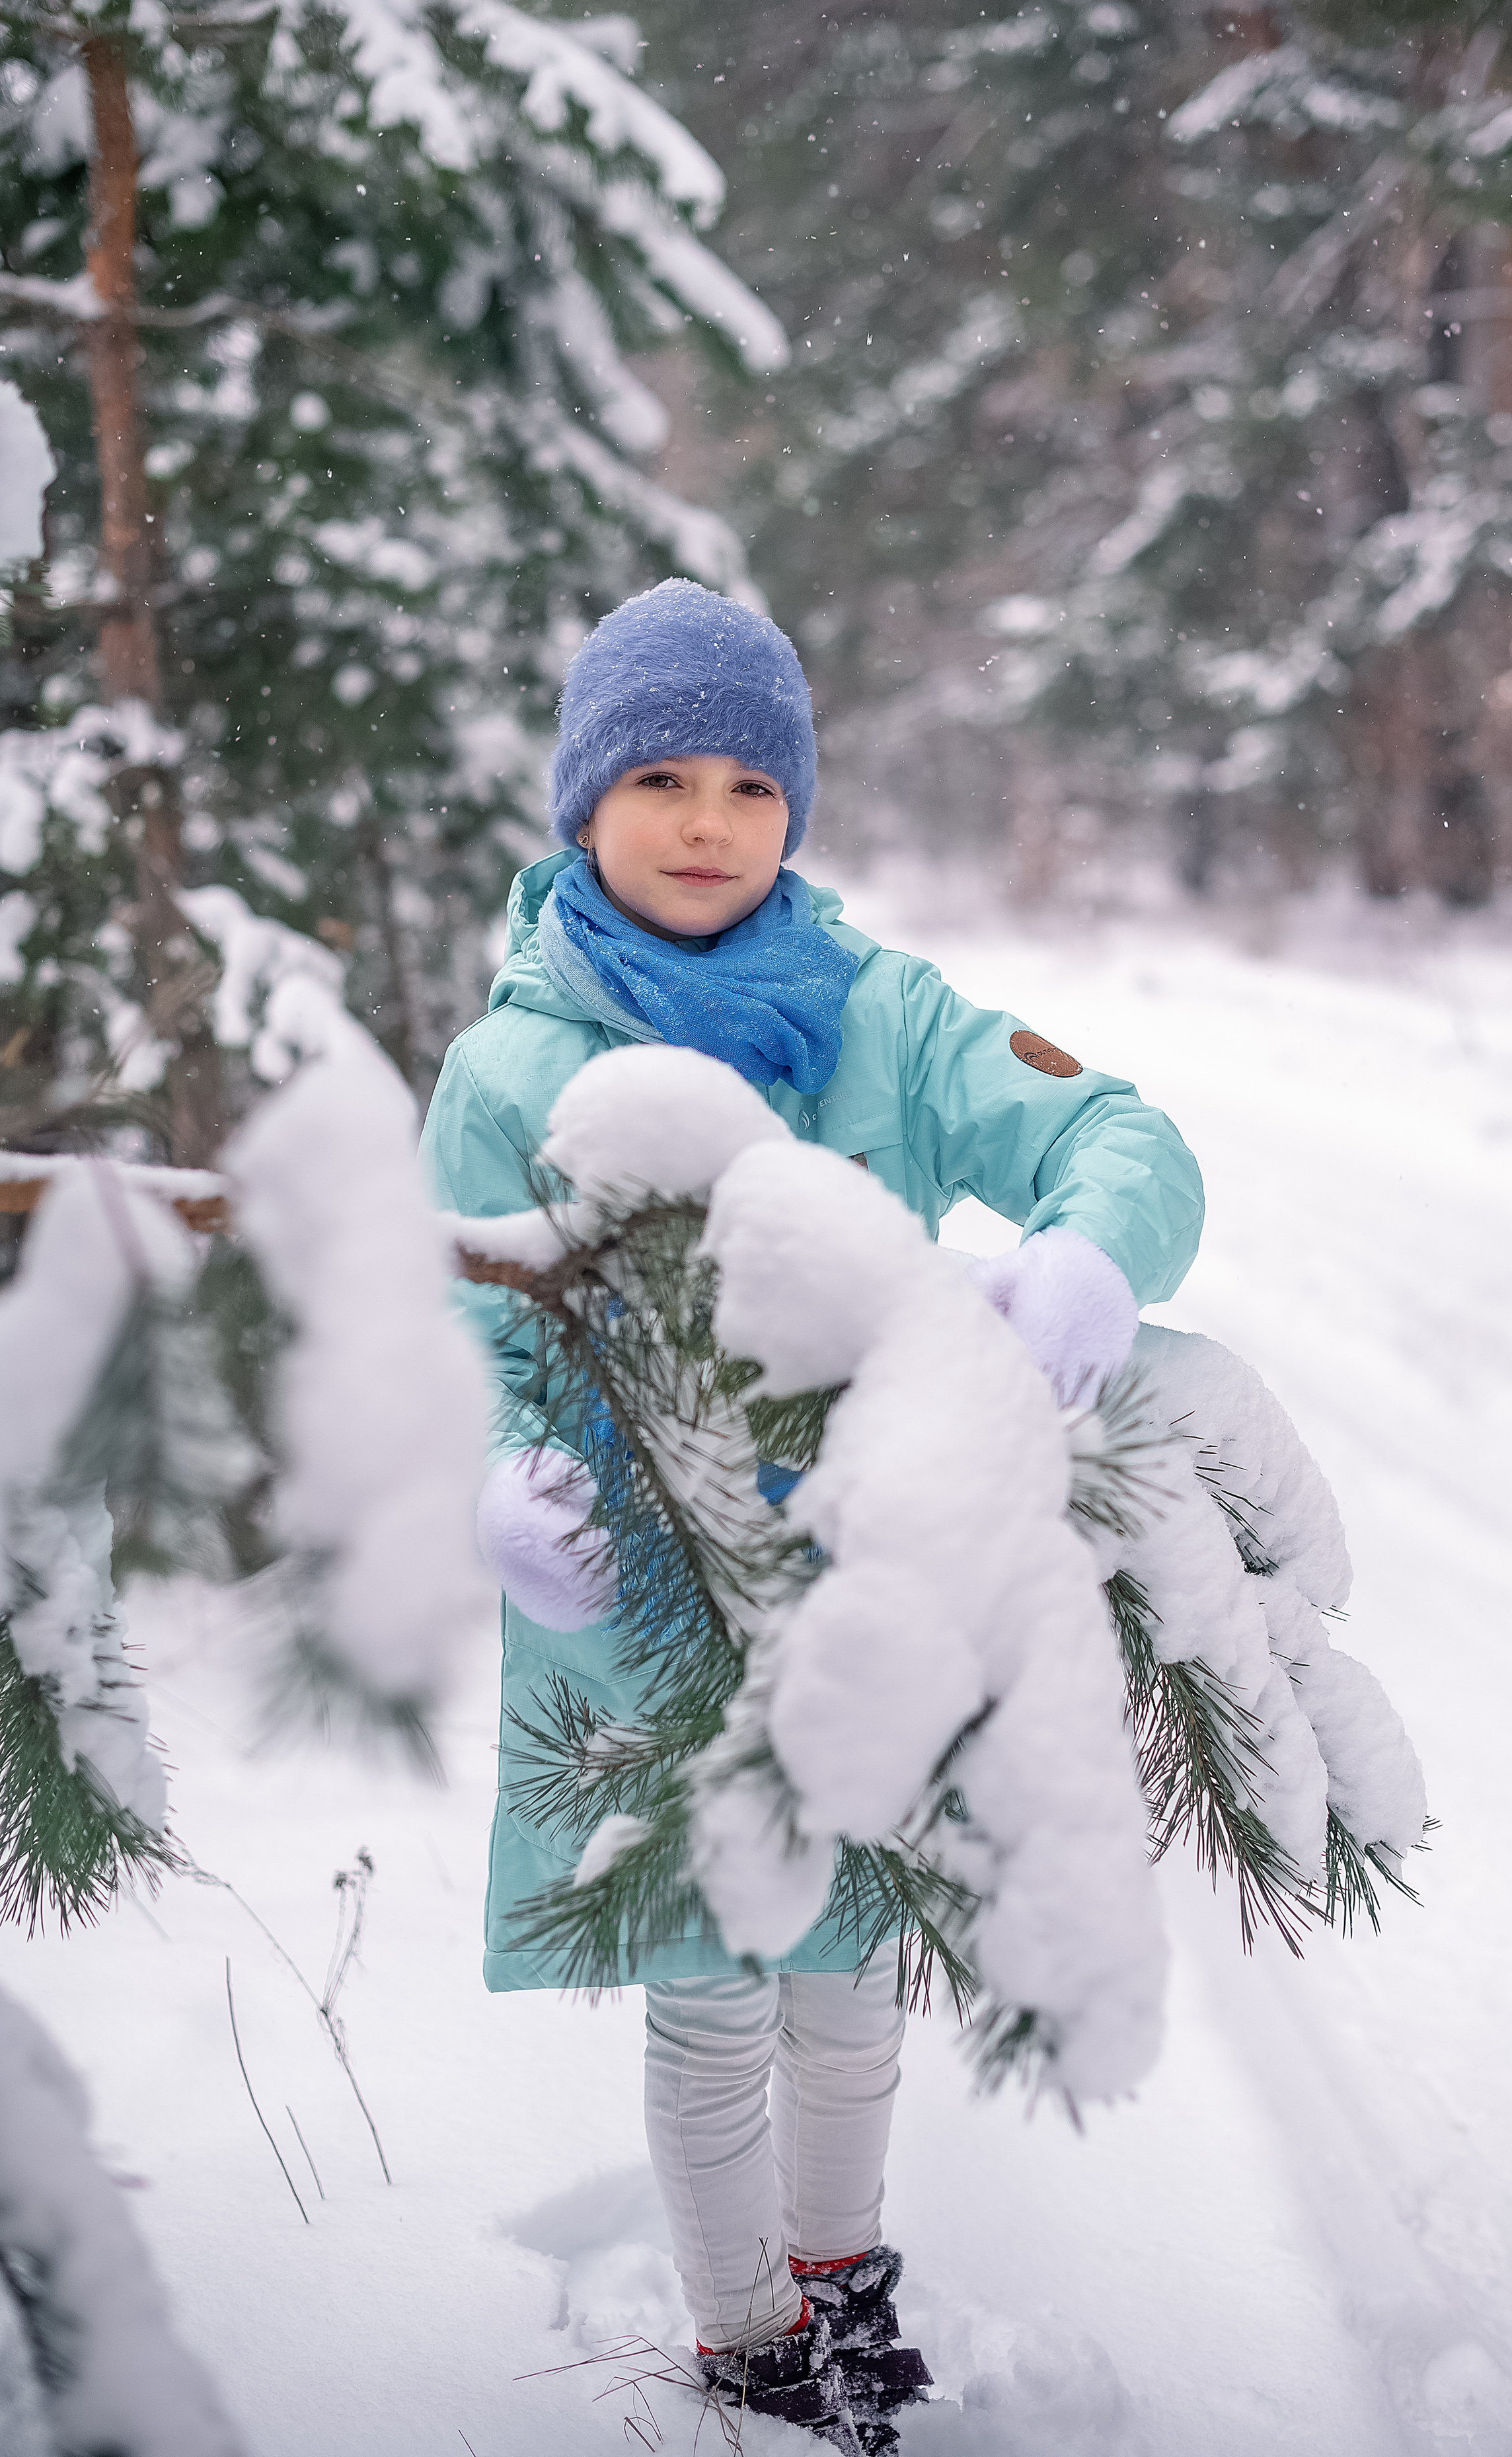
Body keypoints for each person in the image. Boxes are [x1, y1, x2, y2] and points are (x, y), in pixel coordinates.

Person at [420, 578, 1204, 2452]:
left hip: (866, 1593)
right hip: (643, 1610)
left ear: (799, 808)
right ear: (584, 803)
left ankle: (843, 2278)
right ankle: (744, 2337)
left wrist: (1096, 1249)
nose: (709, 825)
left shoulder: (887, 1020)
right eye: (664, 780)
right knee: (705, 1995)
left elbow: (1117, 1131)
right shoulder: (513, 1069)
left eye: (752, 788)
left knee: (852, 1975)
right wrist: (497, 1479)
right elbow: (455, 1328)